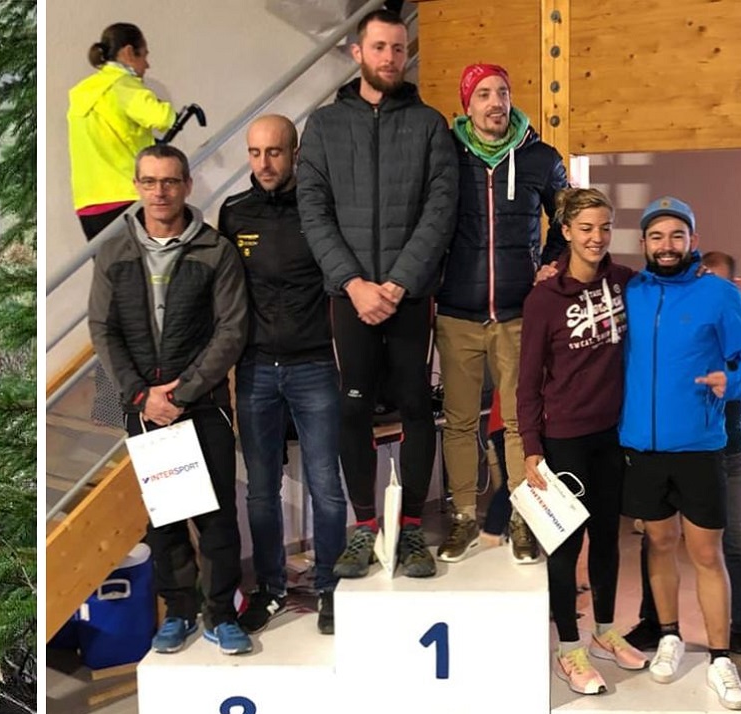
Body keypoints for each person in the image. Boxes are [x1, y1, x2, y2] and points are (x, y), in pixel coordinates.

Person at [295, 9, 456, 579]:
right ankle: (365, 529)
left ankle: (411, 530)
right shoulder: (323, 127)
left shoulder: (431, 125)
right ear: (355, 52)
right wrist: (355, 283)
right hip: (350, 298)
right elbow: (312, 210)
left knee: (417, 408)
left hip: (411, 297)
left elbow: (440, 211)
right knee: (354, 409)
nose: (391, 57)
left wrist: (399, 282)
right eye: (380, 47)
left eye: (399, 48)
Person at [89, 144, 249, 654]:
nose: (160, 192)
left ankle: (221, 614)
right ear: (137, 186)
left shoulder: (214, 249)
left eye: (170, 181)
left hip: (199, 404)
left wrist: (181, 392)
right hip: (143, 406)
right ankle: (178, 611)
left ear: (187, 186)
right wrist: (140, 396)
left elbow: (232, 329)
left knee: (218, 515)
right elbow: (103, 328)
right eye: (150, 181)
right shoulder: (114, 252)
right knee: (166, 516)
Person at [618, 197, 741, 709]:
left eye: (676, 236)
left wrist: (735, 381)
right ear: (643, 244)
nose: (667, 245)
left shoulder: (719, 295)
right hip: (642, 446)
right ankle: (667, 636)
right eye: (657, 236)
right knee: (658, 545)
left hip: (700, 448)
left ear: (692, 242)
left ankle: (722, 658)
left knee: (706, 554)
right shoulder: (630, 290)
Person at [435, 63, 569, 565]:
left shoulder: (540, 158)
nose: (496, 103)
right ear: (467, 105)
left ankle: (522, 516)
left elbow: (567, 217)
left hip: (517, 313)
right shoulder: (446, 156)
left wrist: (551, 264)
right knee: (459, 421)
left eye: (503, 93)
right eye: (485, 94)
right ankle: (465, 516)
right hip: (457, 312)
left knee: (519, 421)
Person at [515, 188, 647, 695]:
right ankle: (567, 649)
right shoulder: (543, 298)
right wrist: (531, 447)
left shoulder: (624, 282)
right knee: (567, 548)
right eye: (586, 228)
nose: (596, 237)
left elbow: (666, 284)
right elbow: (526, 382)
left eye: (604, 227)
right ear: (566, 232)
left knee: (610, 539)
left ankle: (605, 632)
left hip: (612, 435)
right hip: (563, 437)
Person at [218, 115, 345, 635]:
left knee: (325, 486)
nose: (264, 163)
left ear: (294, 153)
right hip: (254, 371)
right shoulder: (232, 214)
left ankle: (332, 587)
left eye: (274, 152)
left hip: (315, 366)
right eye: (254, 153)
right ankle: (269, 588)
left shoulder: (319, 209)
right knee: (260, 492)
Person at [67, 22, 177, 240]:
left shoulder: (81, 93)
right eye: (144, 55)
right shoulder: (121, 85)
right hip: (125, 195)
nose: (147, 64)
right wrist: (163, 105)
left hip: (88, 201)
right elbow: (163, 118)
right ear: (128, 52)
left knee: (110, 271)